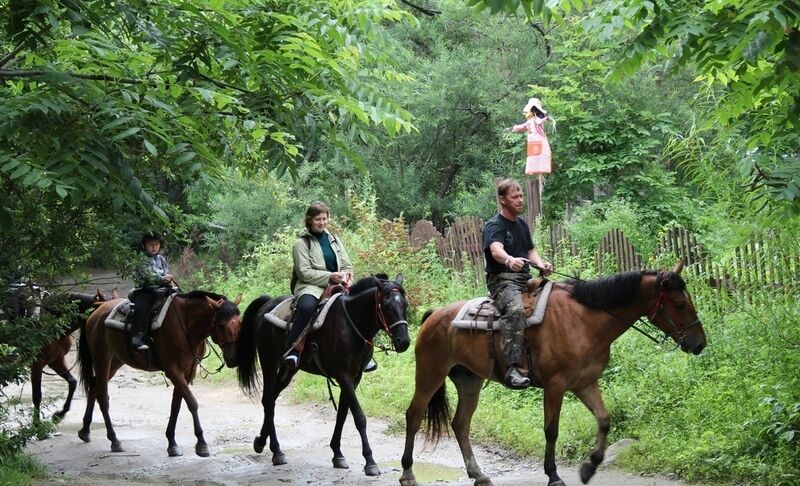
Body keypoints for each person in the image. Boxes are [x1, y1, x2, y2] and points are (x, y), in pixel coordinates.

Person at [483, 179, 553, 389]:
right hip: (502, 281)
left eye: (521, 196)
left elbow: (531, 251)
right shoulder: (494, 225)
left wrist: (542, 265)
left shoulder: (521, 224)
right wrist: (509, 260)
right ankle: (512, 368)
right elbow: (496, 250)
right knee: (515, 310)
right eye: (515, 197)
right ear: (503, 200)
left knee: (557, 298)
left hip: (524, 279)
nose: (520, 200)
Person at [283, 202, 355, 370]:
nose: (322, 222)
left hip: (338, 283)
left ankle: (364, 351)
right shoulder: (301, 243)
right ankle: (293, 349)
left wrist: (347, 276)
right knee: (307, 307)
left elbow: (346, 264)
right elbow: (304, 273)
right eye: (318, 219)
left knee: (361, 302)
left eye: (325, 218)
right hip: (310, 286)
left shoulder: (335, 240)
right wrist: (329, 276)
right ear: (309, 220)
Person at [130, 232, 175, 351]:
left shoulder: (161, 259)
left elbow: (166, 272)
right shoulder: (141, 259)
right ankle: (136, 337)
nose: (154, 247)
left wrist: (168, 279)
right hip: (145, 290)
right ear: (144, 245)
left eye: (157, 244)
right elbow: (147, 277)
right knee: (141, 308)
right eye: (151, 244)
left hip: (162, 290)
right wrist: (162, 278)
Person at [509, 97, 553, 176]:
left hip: (538, 140)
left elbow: (540, 121)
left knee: (540, 155)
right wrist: (514, 128)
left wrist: (546, 119)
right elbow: (522, 126)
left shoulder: (537, 119)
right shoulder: (529, 121)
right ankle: (532, 169)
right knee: (533, 155)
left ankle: (541, 169)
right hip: (533, 141)